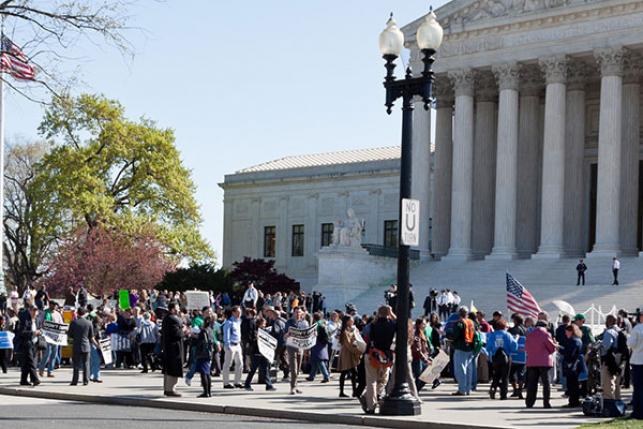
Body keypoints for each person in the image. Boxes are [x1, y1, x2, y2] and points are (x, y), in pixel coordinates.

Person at [360, 305, 396, 414]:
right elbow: (402, 325)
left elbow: (364, 336)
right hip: (386, 356)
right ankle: (369, 397)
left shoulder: (372, 325)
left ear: (378, 313)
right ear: (389, 313)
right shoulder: (392, 325)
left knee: (371, 381)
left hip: (372, 354)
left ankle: (371, 406)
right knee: (383, 380)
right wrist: (392, 314)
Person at [524, 321, 556, 409]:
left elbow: (526, 347)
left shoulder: (530, 334)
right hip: (544, 361)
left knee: (532, 383)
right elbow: (551, 348)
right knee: (546, 383)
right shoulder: (546, 334)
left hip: (532, 361)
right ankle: (546, 403)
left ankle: (529, 402)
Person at [486, 319, 517, 400]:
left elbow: (488, 347)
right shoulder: (507, 335)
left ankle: (493, 389)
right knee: (505, 376)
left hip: (495, 357)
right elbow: (514, 346)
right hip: (506, 357)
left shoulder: (492, 335)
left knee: (496, 375)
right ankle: (503, 394)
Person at [244, 317, 275, 391]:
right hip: (256, 353)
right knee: (253, 370)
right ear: (259, 324)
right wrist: (256, 338)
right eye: (263, 324)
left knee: (265, 369)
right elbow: (252, 341)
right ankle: (247, 384)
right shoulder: (255, 332)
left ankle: (269, 385)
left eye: (265, 324)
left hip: (264, 353)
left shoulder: (266, 332)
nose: (264, 325)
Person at [68, 307, 97, 386]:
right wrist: (97, 345)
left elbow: (70, 335)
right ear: (85, 313)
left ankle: (75, 381)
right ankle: (85, 381)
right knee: (86, 364)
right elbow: (91, 337)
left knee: (76, 364)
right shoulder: (89, 323)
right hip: (86, 345)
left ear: (77, 313)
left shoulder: (73, 322)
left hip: (76, 345)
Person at [161, 302, 184, 397]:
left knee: (168, 368)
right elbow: (176, 334)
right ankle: (170, 389)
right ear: (172, 309)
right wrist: (184, 330)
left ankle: (167, 388)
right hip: (174, 348)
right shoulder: (173, 319)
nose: (178, 309)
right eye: (177, 307)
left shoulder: (167, 318)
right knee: (173, 368)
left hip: (168, 347)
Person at [452, 306, 476, 396]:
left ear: (459, 313)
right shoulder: (471, 322)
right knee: (469, 369)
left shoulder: (459, 323)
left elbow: (455, 335)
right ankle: (468, 389)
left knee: (461, 369)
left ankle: (462, 390)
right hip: (470, 348)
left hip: (460, 347)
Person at [284, 307, 309, 395]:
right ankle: (293, 388)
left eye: (299, 312)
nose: (298, 314)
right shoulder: (289, 322)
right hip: (291, 346)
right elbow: (285, 335)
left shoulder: (304, 323)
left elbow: (307, 334)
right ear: (293, 313)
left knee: (298, 369)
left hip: (300, 347)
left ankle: (296, 386)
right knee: (293, 369)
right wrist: (288, 334)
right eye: (296, 312)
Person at [337, 315, 362, 398]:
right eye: (351, 320)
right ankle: (342, 392)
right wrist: (358, 351)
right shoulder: (344, 331)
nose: (353, 321)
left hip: (351, 353)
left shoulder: (353, 329)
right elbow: (348, 344)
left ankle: (354, 391)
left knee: (353, 373)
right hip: (347, 353)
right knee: (345, 372)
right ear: (347, 321)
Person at [561, 324, 585, 408]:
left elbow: (570, 353)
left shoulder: (573, 341)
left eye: (567, 332)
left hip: (572, 364)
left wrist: (559, 349)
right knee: (574, 384)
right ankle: (574, 401)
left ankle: (573, 402)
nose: (566, 333)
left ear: (571, 331)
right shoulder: (578, 340)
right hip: (576, 363)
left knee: (571, 384)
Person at [599, 314, 623, 401]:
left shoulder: (609, 332)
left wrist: (600, 344)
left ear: (608, 321)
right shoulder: (620, 331)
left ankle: (609, 403)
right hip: (620, 359)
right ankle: (618, 401)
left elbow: (607, 346)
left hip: (609, 360)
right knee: (617, 382)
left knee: (608, 381)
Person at [16, 304, 40, 386]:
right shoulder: (25, 320)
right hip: (26, 343)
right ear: (29, 310)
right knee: (31, 362)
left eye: (36, 311)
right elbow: (22, 332)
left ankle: (23, 380)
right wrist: (33, 333)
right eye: (33, 310)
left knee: (26, 363)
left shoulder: (36, 320)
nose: (35, 312)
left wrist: (40, 332)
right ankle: (35, 379)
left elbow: (39, 329)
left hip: (34, 343)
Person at [38, 301, 62, 378]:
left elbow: (61, 324)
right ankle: (41, 369)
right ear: (50, 305)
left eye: (56, 305)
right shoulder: (45, 313)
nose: (55, 306)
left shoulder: (58, 314)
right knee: (47, 354)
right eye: (54, 305)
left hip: (55, 337)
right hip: (47, 337)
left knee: (54, 355)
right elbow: (40, 323)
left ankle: (50, 371)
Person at [627, 307, 643, 419]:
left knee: (638, 388)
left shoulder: (637, 329)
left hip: (638, 360)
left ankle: (638, 411)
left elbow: (632, 344)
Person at [222, 306, 243, 389]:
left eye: (240, 311)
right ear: (233, 312)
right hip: (231, 345)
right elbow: (226, 334)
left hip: (238, 344)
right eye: (238, 311)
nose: (239, 313)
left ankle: (237, 381)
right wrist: (227, 345)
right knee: (228, 364)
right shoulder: (229, 322)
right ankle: (226, 383)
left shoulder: (238, 321)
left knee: (240, 363)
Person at [307, 312, 330, 383]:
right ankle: (311, 376)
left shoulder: (316, 324)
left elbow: (314, 334)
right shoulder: (324, 323)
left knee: (319, 360)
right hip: (323, 343)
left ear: (314, 318)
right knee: (315, 360)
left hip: (317, 343)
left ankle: (326, 376)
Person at [195, 317, 214, 397]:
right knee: (207, 373)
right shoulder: (210, 330)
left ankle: (206, 392)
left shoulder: (203, 331)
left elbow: (202, 343)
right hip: (209, 353)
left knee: (203, 373)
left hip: (203, 353)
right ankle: (209, 391)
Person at [411, 318, 431, 392]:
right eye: (423, 324)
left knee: (426, 377)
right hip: (418, 359)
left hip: (423, 358)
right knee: (419, 377)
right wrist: (425, 359)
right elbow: (417, 349)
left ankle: (415, 392)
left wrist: (428, 357)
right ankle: (415, 392)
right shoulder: (417, 334)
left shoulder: (422, 333)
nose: (425, 325)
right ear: (419, 325)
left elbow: (425, 347)